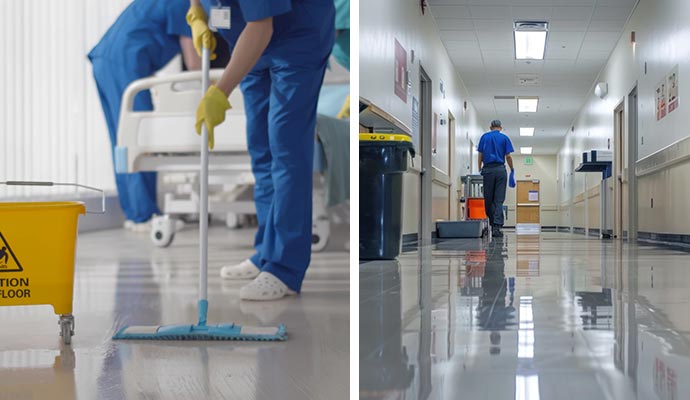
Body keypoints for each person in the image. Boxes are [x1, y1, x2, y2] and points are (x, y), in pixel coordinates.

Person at [187, 0, 335, 300]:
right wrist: (196, 12)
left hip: (297, 38)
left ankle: (284, 269)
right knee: (261, 149)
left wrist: (220, 91)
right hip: (250, 41)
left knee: (286, 149)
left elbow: (261, 26)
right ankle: (266, 252)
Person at [88, 0, 200, 228]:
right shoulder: (189, 5)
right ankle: (144, 216)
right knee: (139, 139)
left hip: (110, 61)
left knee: (123, 141)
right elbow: (195, 64)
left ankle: (135, 213)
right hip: (126, 62)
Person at [477, 120, 514, 238]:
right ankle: (497, 226)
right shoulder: (504, 138)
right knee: (499, 200)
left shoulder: (484, 137)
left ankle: (493, 223)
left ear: (490, 127)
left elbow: (480, 155)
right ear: (500, 128)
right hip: (500, 170)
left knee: (488, 200)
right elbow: (508, 156)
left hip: (487, 170)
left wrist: (479, 168)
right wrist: (512, 169)